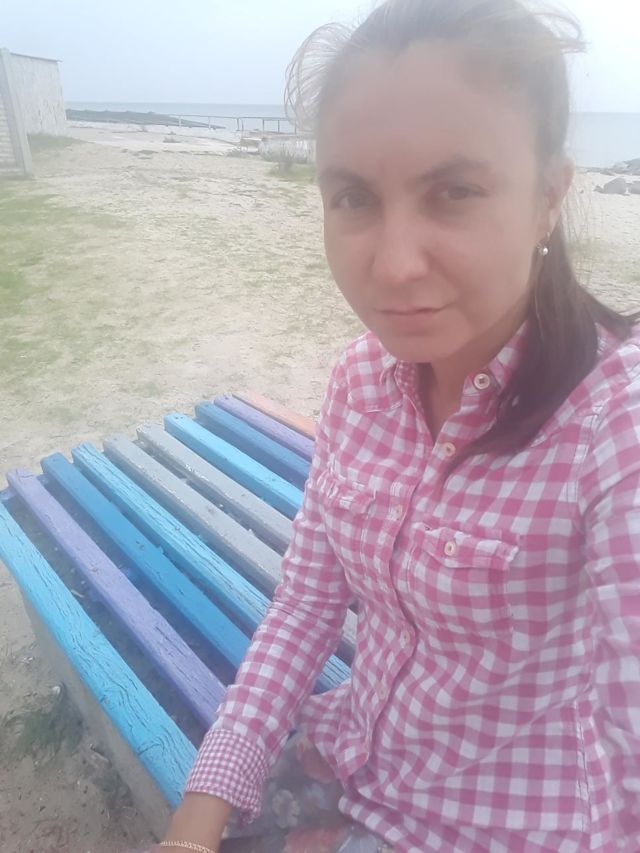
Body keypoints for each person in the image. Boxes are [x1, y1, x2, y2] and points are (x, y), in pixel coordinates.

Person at [139, 0, 640, 850]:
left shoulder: (612, 423)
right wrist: (203, 805)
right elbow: (307, 602)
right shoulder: (362, 380)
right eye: (354, 197)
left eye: (454, 192)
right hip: (349, 761)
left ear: (549, 197)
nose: (395, 264)